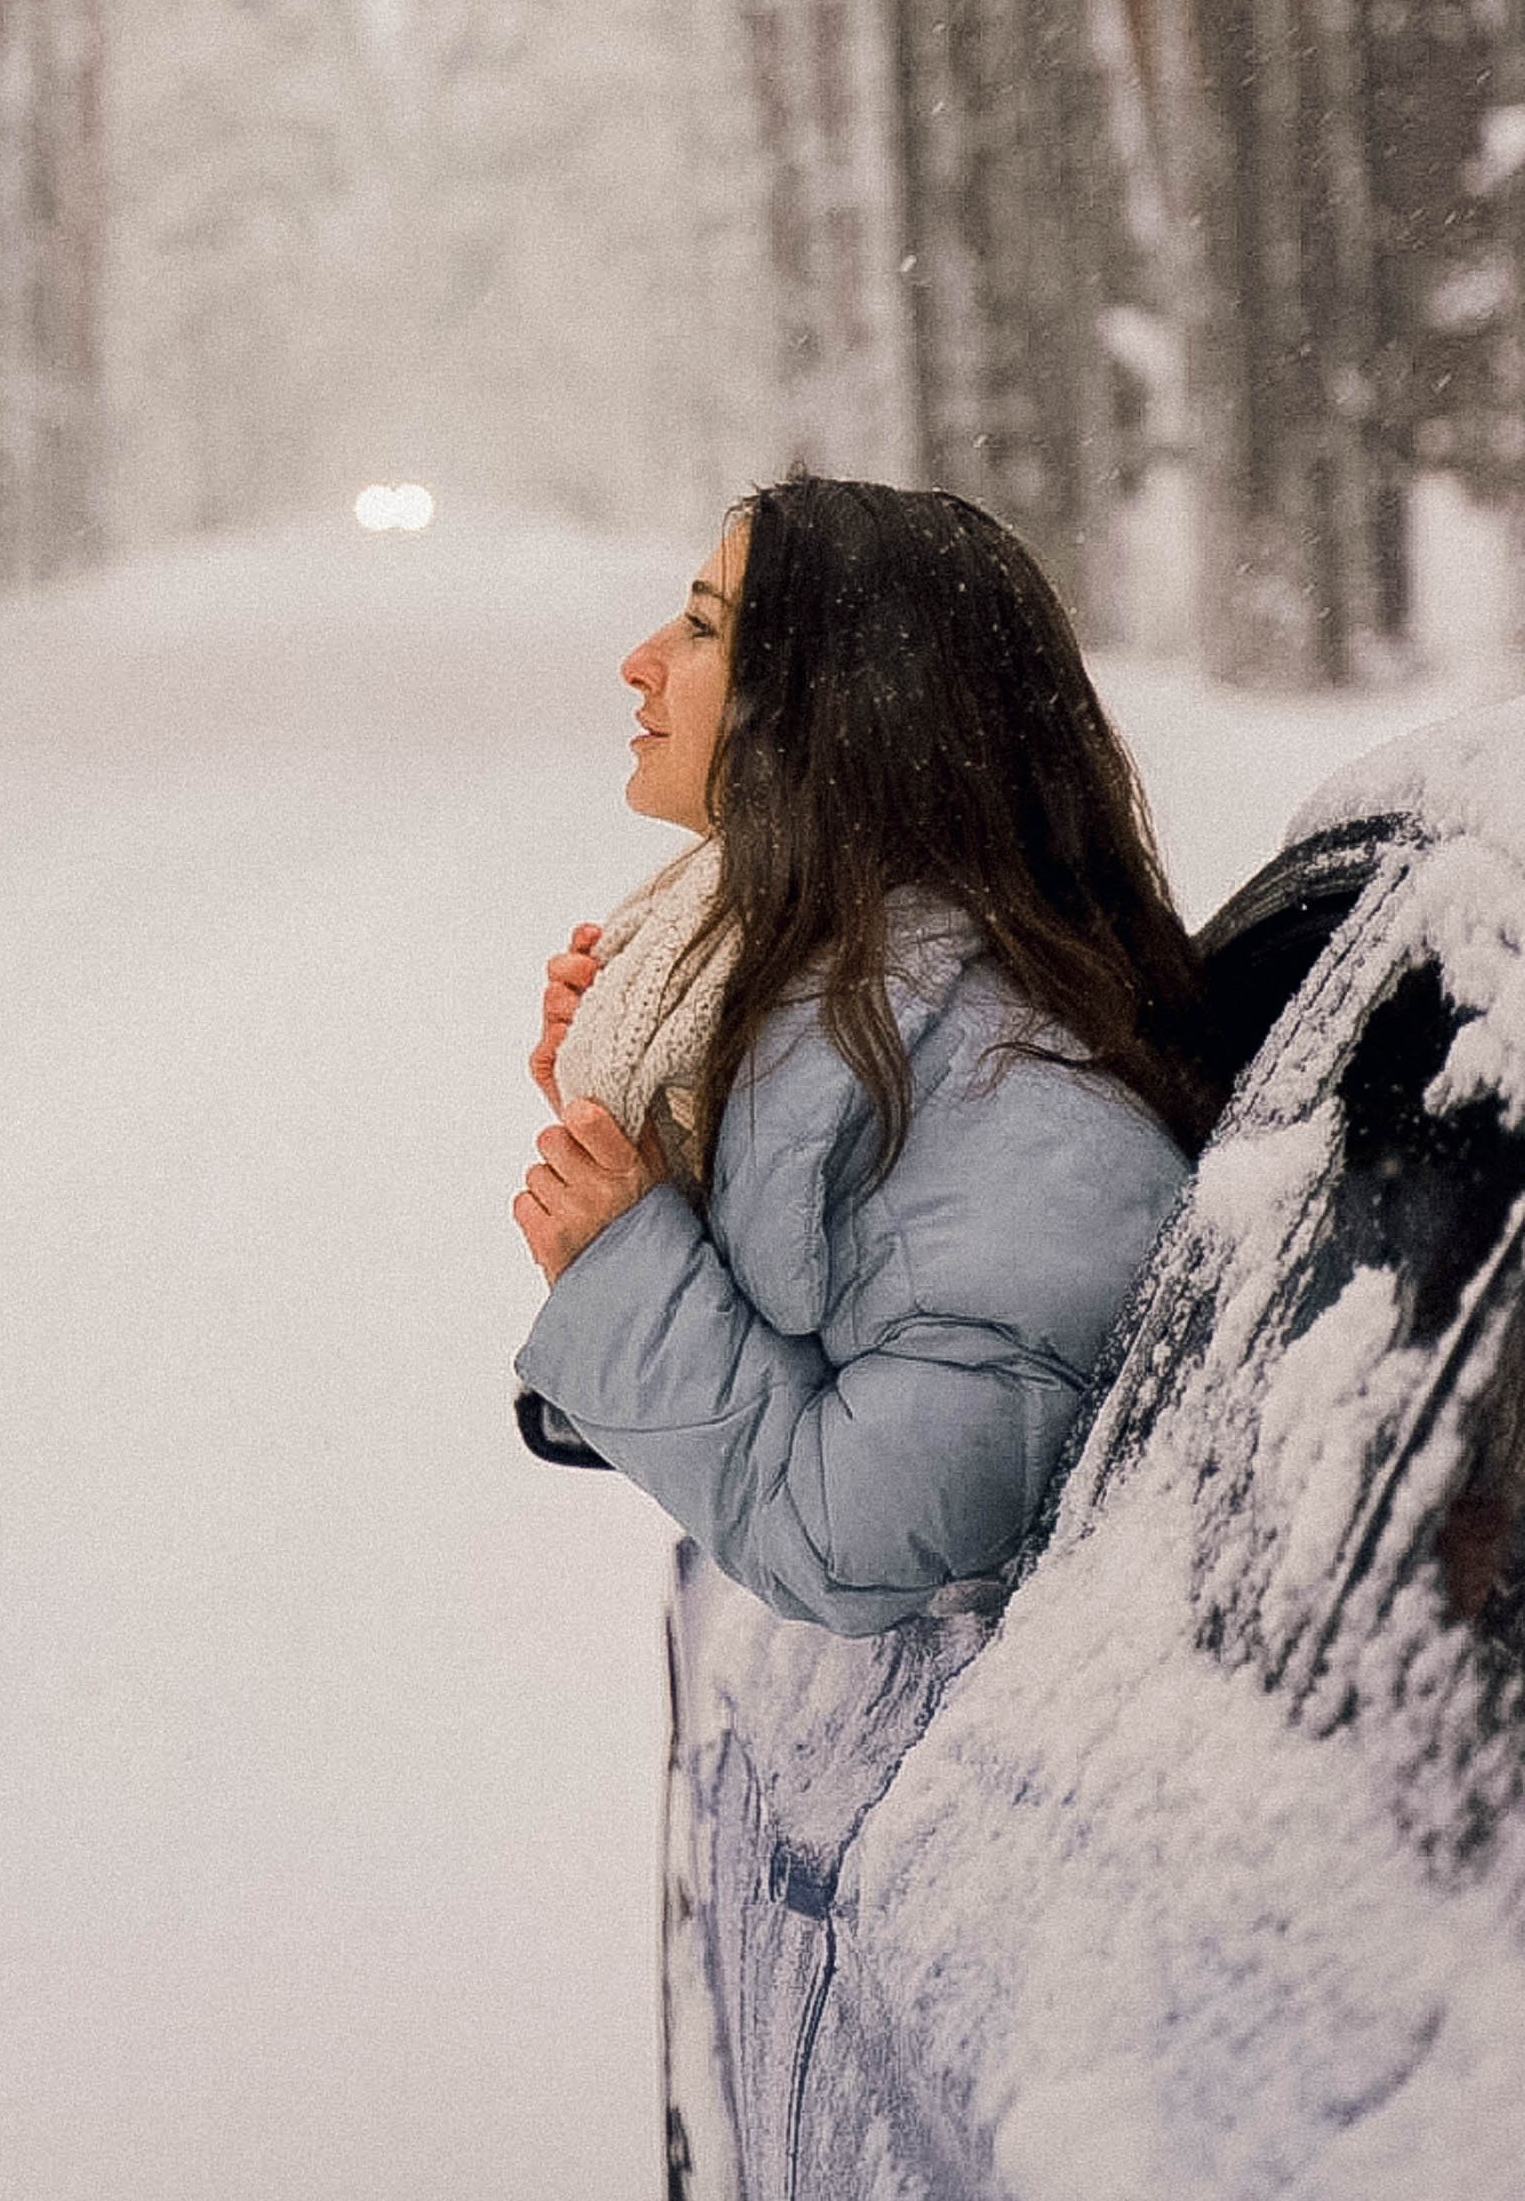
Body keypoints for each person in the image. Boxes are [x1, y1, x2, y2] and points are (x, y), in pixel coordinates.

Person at [511, 471, 1217, 1635]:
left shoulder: (1016, 1101)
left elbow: (857, 1545)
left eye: (698, 628)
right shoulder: (829, 1006)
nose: (638, 661)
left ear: (832, 707)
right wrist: (658, 1150)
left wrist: (626, 1264)